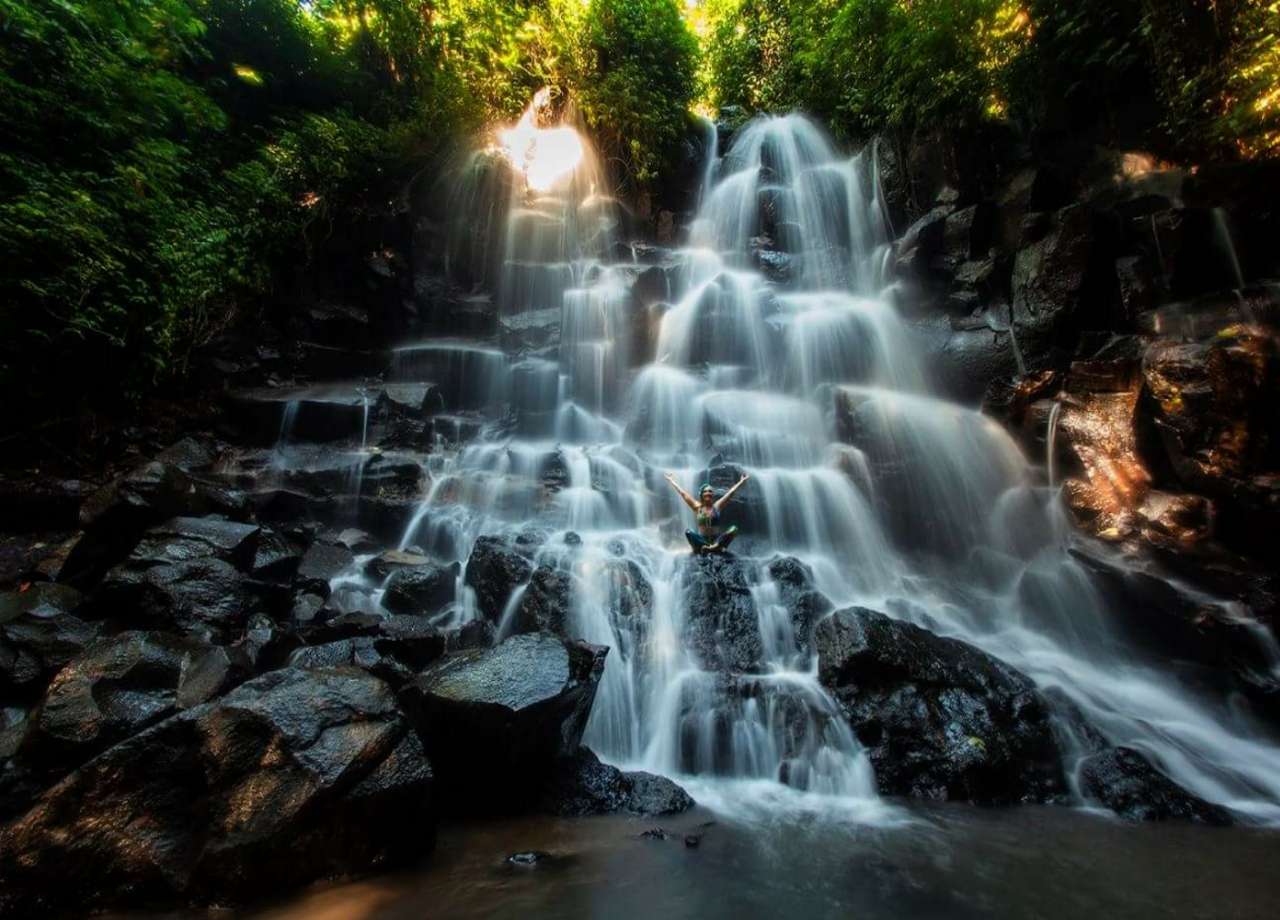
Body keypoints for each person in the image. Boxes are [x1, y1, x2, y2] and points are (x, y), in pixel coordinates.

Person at [664, 471, 749, 554]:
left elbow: (730, 493)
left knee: (734, 529)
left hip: (716, 540)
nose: (708, 493)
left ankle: (712, 547)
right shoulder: (697, 507)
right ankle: (710, 547)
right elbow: (683, 493)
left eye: (710, 491)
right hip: (702, 539)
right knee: (688, 532)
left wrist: (741, 481)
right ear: (701, 494)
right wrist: (671, 480)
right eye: (705, 491)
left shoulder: (717, 506)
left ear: (712, 495)